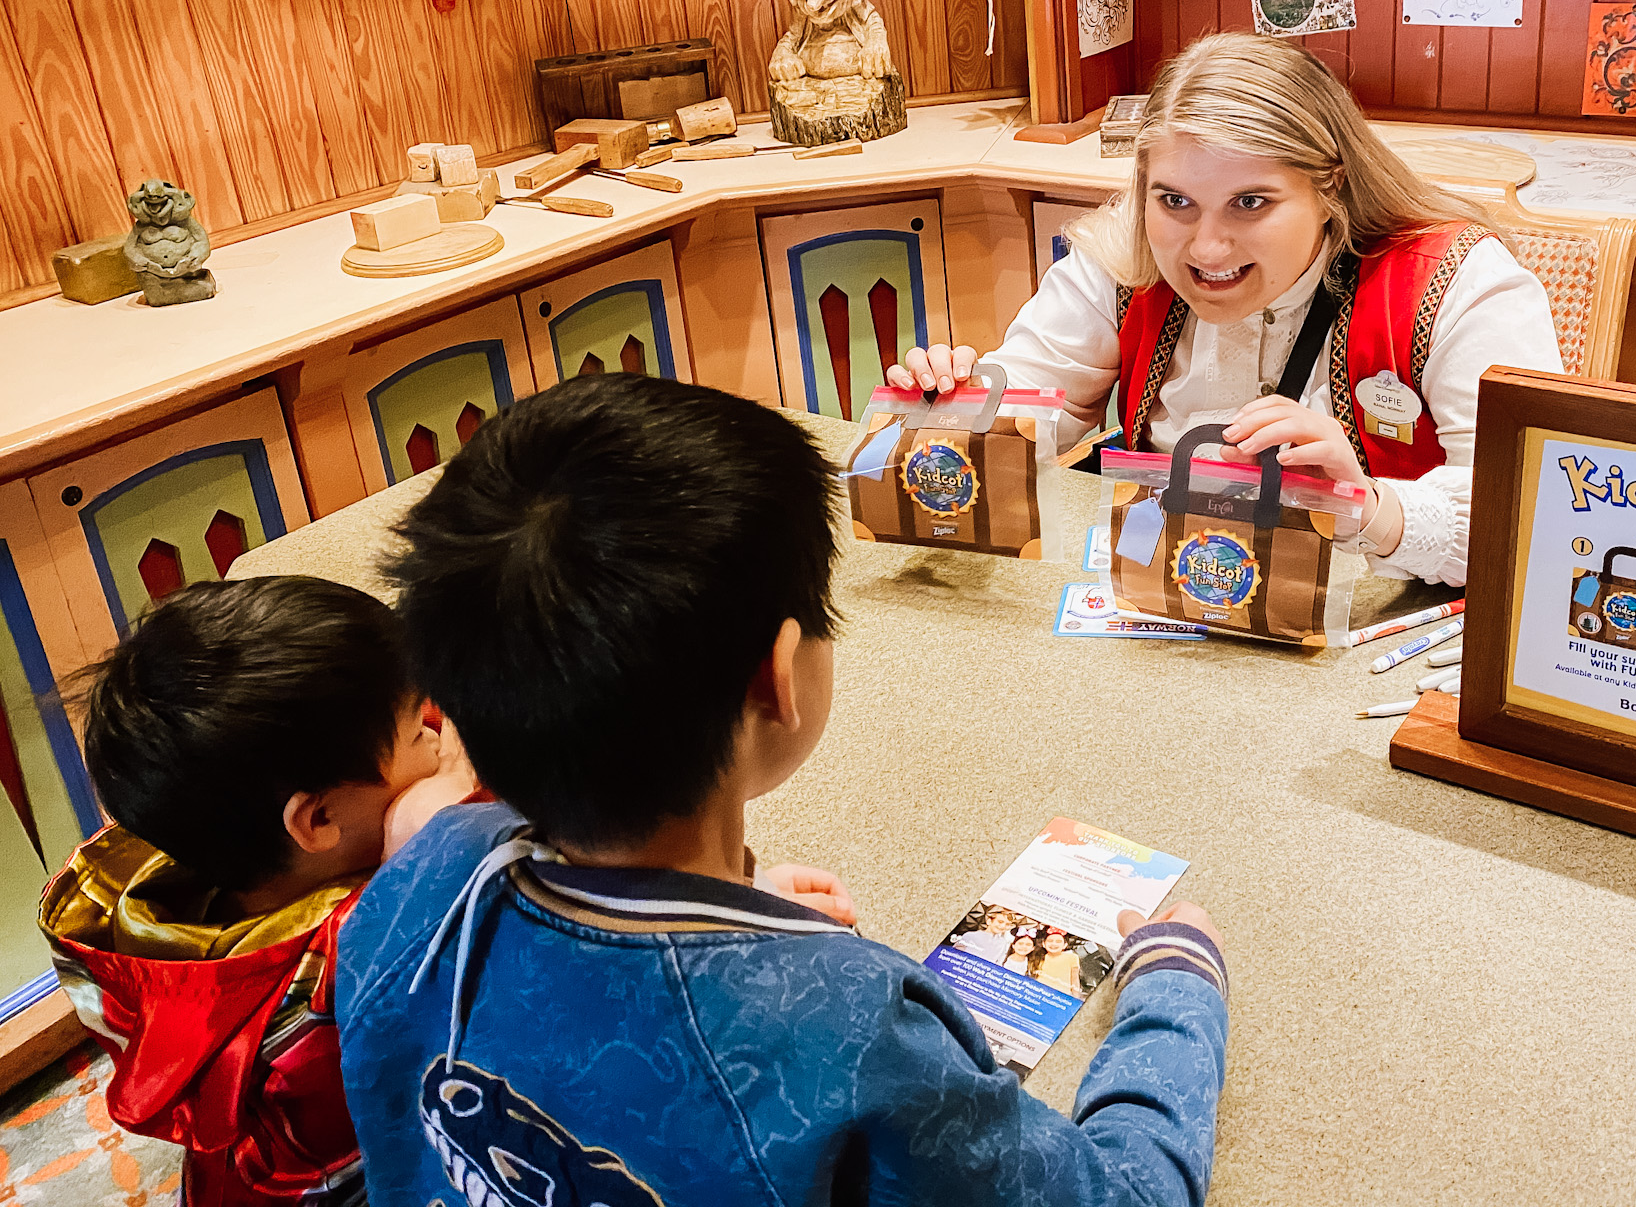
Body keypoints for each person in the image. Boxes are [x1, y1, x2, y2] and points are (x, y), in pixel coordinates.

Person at [337, 375, 1229, 1207]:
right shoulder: (853, 1029)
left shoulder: (416, 877)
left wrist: (714, 912)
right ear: (777, 679)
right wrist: (1176, 984)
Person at [889, 32, 1564, 586]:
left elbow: (1526, 521)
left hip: (1373, 630)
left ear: (1331, 189)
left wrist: (1367, 507)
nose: (1205, 248)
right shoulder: (1123, 255)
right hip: (1166, 595)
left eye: (1251, 202)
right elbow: (1043, 405)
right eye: (1174, 200)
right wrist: (964, 406)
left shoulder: (1461, 285)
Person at [38, 576, 477, 1207]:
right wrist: (453, 782)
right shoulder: (354, 954)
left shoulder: (155, 907)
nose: (437, 734)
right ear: (317, 820)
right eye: (418, 733)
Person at [1036, 930, 1085, 998]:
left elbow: (1075, 978)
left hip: (1062, 995)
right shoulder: (1038, 958)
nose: (1054, 944)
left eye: (1058, 941)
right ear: (1044, 944)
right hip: (1039, 993)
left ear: (1065, 945)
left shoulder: (1072, 957)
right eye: (1050, 941)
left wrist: (1076, 997)